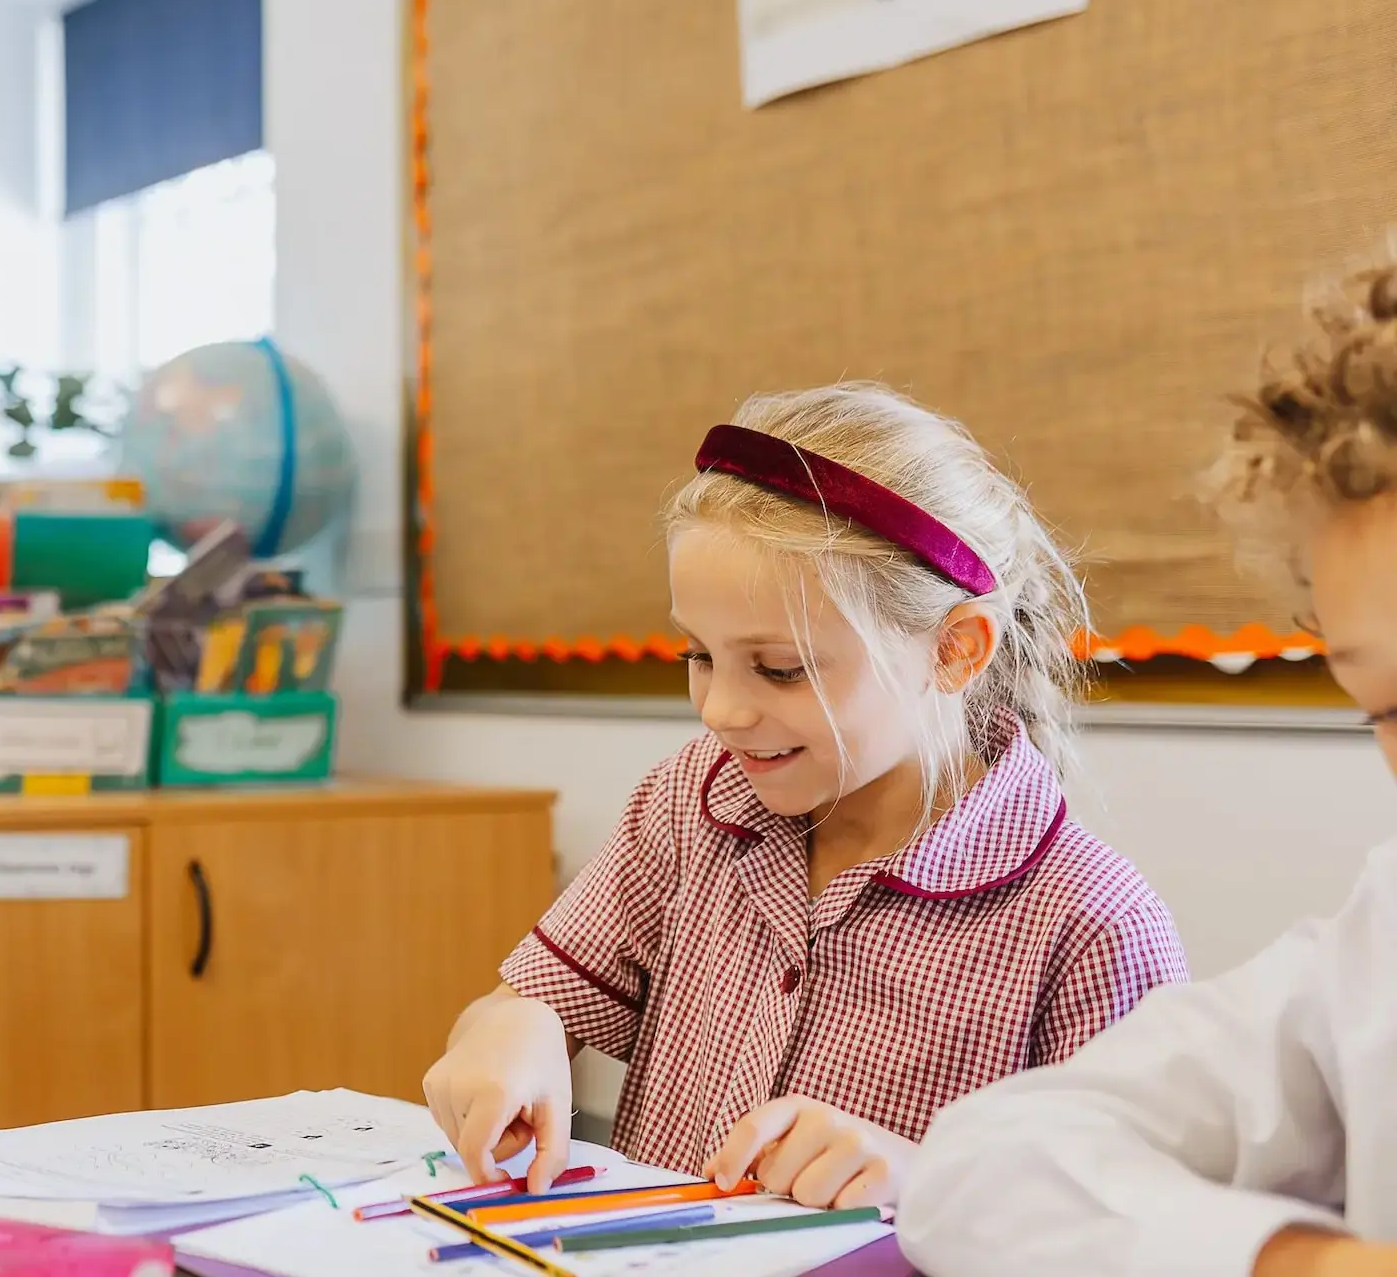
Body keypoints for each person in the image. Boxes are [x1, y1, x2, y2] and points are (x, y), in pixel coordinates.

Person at [423, 382, 1186, 1211]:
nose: (720, 710)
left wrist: (928, 1183)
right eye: (698, 655)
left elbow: (1134, 1223)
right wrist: (513, 1028)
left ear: (956, 650)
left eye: (780, 669)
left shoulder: (1093, 925)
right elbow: (531, 999)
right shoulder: (691, 801)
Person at [901, 263, 1397, 1276]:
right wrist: (1304, 1262)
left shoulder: (1086, 903)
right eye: (1386, 708)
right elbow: (980, 1164)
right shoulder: (1373, 948)